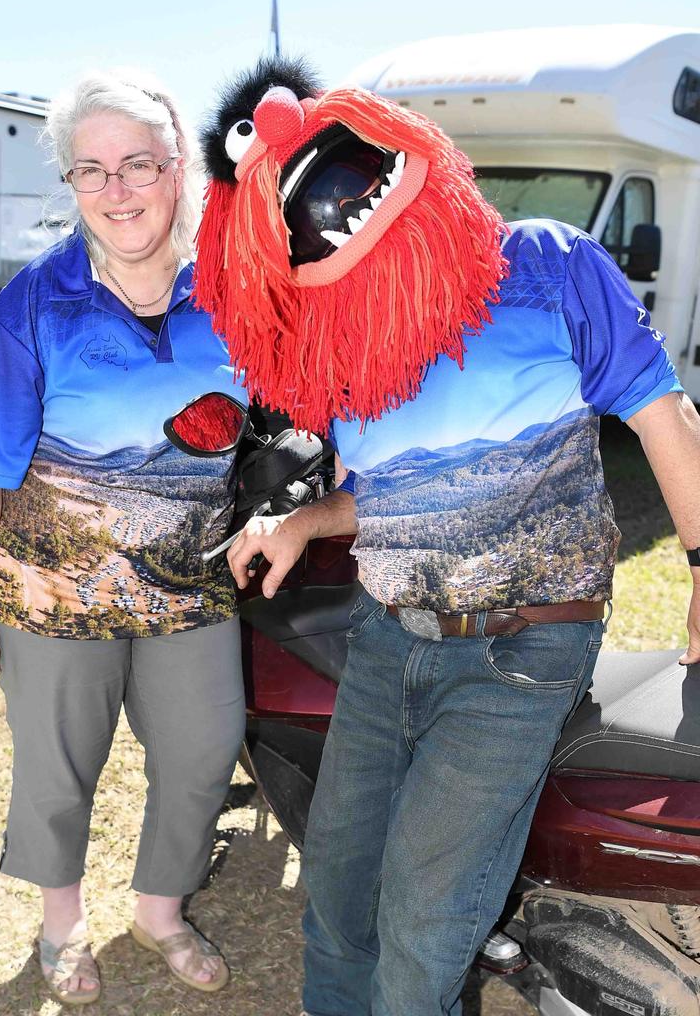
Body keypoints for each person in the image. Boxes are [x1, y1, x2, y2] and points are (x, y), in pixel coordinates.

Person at [191, 58, 700, 1016]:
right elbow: (404, 493)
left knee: (426, 926)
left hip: (522, 648)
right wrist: (305, 518)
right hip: (390, 639)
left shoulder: (546, 264)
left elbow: (666, 418)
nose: (332, 211)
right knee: (339, 899)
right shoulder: (360, 336)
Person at [0, 72, 247, 1004]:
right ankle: (61, 924)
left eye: (139, 165)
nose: (118, 190)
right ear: (72, 186)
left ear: (180, 171)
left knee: (205, 749)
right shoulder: (30, 311)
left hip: (192, 586)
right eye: (92, 170)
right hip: (51, 595)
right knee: (56, 766)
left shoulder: (235, 299)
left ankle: (158, 911)